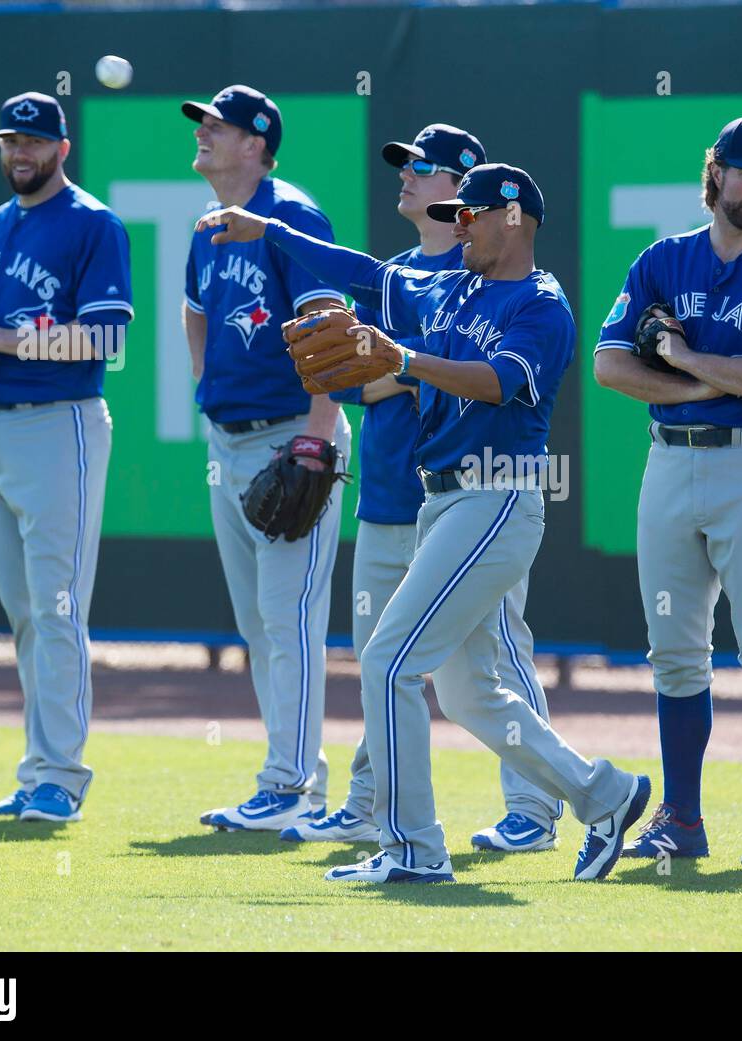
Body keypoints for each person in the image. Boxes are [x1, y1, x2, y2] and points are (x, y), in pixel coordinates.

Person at [195, 162, 650, 883]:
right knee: (468, 693)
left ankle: (413, 849)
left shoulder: (541, 303)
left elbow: (502, 383)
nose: (455, 223)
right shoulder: (447, 286)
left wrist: (402, 356)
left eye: (469, 214)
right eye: (452, 214)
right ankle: (607, 794)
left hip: (497, 497)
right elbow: (363, 272)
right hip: (443, 500)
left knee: (388, 658)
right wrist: (270, 231)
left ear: (512, 219)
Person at [288, 125, 563, 853]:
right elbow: (362, 372)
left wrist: (393, 365)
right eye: (403, 164)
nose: (406, 175)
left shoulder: (512, 292)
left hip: (478, 498)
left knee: (490, 658)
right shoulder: (412, 276)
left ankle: (534, 804)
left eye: (424, 168)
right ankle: (371, 801)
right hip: (393, 489)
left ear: (465, 190)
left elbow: (428, 377)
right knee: (388, 657)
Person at [593, 116, 742, 867]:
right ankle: (682, 819)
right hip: (669, 462)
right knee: (673, 653)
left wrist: (685, 362)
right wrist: (709, 380)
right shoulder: (665, 259)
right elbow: (608, 365)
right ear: (716, 175)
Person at [0, 92, 133, 823]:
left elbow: (106, 339)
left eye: (35, 142)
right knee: (23, 610)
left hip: (60, 424)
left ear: (62, 149)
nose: (21, 153)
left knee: (56, 606)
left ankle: (61, 777)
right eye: (11, 140)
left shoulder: (93, 223)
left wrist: (4, 339)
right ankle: (35, 768)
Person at [180, 85, 350, 832]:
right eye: (204, 124)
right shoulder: (208, 226)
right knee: (259, 623)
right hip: (230, 439)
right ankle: (293, 776)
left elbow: (332, 329)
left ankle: (289, 785)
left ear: (257, 142)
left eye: (218, 125)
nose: (205, 133)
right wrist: (213, 391)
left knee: (290, 621)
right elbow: (195, 314)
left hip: (292, 435)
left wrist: (316, 435)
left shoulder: (292, 214)